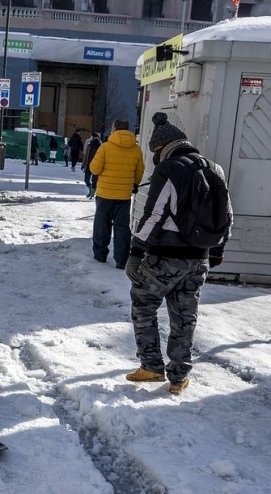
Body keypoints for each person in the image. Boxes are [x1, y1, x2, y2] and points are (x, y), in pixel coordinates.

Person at [124, 114, 232, 395]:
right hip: (200, 258)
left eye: (154, 151)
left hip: (166, 256)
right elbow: (227, 215)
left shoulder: (169, 169)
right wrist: (216, 251)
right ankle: (178, 378)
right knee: (185, 316)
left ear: (162, 147)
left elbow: (154, 215)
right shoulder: (215, 169)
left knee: (144, 303)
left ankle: (151, 367)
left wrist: (136, 252)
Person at [89, 118, 144, 268]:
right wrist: (134, 184)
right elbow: (139, 171)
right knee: (122, 227)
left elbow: (94, 169)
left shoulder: (105, 147)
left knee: (102, 224)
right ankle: (121, 259)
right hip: (124, 196)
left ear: (114, 129)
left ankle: (100, 254)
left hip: (105, 195)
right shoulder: (136, 149)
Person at [82, 132, 102, 199]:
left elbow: (85, 155)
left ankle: (92, 193)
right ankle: (91, 191)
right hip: (89, 164)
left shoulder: (101, 145)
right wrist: (83, 164)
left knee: (93, 180)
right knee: (89, 180)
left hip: (95, 165)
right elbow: (86, 155)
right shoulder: (89, 144)